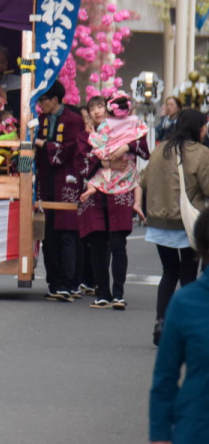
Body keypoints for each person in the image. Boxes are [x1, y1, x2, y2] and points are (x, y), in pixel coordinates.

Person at [141, 109, 209, 345]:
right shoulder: (201, 153)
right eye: (204, 125)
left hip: (159, 221)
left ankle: (161, 322)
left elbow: (145, 180)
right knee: (188, 274)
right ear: (196, 127)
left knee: (169, 272)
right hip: (188, 223)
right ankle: (188, 325)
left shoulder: (161, 149)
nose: (205, 129)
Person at [78, 92, 150, 310]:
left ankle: (118, 293)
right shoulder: (87, 135)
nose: (98, 111)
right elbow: (82, 162)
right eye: (93, 109)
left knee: (118, 243)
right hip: (97, 190)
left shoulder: (132, 127)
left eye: (100, 107)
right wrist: (105, 163)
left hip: (122, 188)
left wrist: (127, 147)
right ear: (89, 114)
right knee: (98, 244)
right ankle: (103, 292)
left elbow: (145, 149)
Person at [149, 208, 209, 444]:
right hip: (197, 429)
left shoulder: (185, 302)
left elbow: (164, 379)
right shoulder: (186, 303)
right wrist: (161, 436)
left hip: (194, 425)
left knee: (170, 271)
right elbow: (165, 377)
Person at [34, 82, 91, 302]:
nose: (40, 105)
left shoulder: (73, 120)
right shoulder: (41, 120)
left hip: (67, 179)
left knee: (67, 231)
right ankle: (54, 282)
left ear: (55, 100)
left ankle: (70, 282)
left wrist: (42, 144)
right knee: (48, 233)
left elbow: (69, 150)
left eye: (43, 100)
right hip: (47, 179)